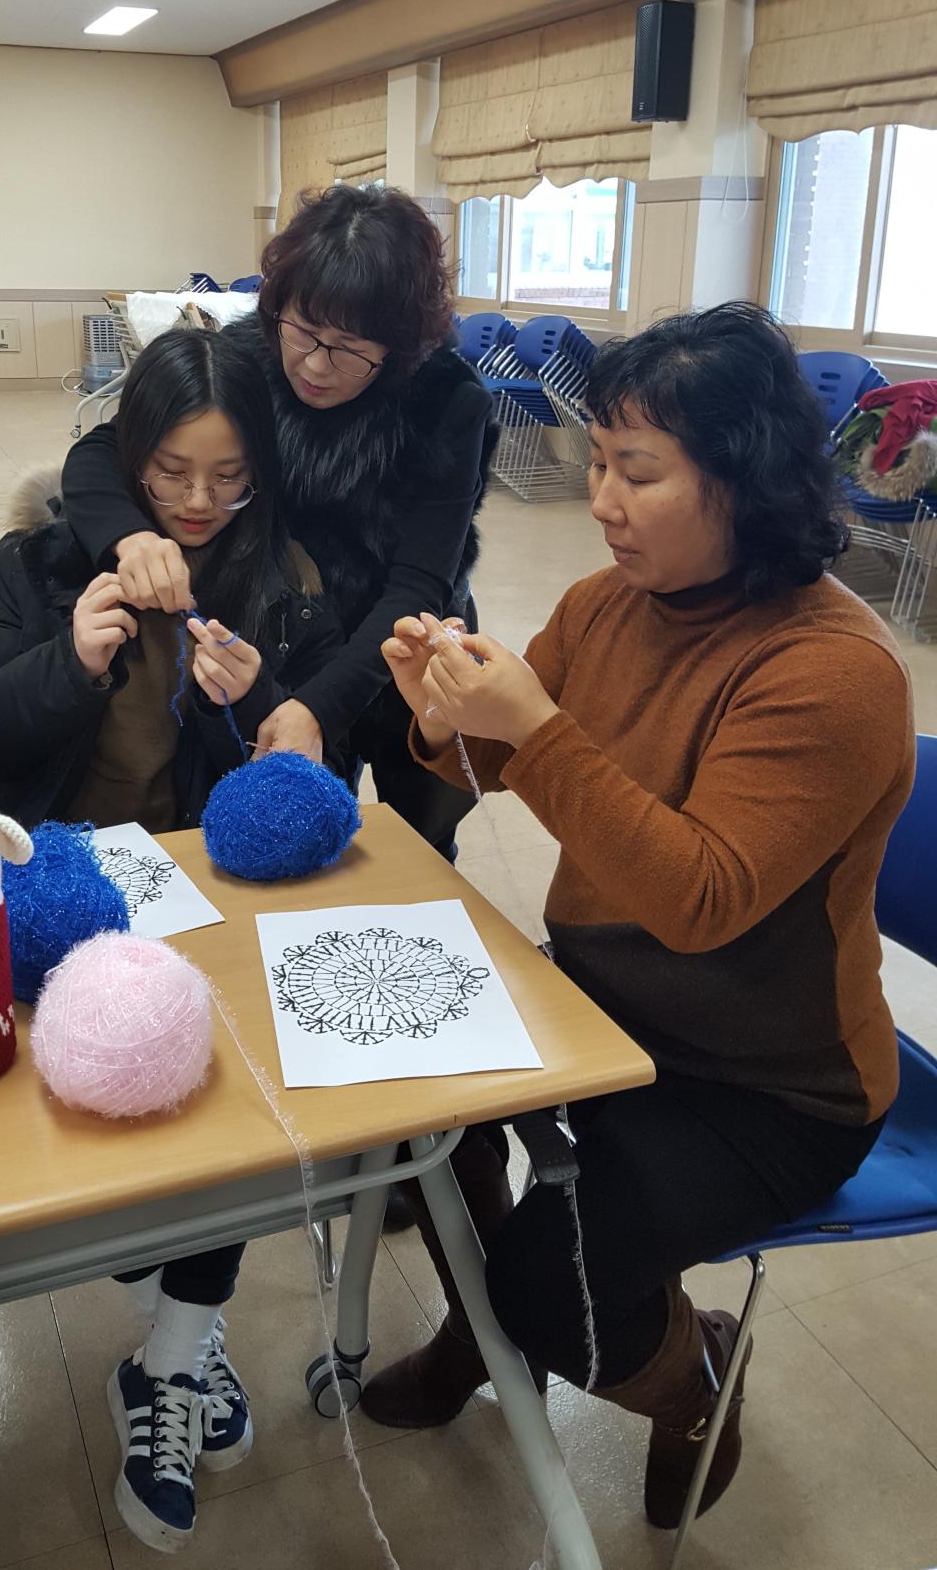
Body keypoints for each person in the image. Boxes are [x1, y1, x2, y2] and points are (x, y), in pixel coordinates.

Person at [363, 303, 915, 1533]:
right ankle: (483, 1333)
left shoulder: (831, 669)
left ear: (745, 480)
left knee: (548, 1279)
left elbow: (697, 899)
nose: (602, 499)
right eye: (600, 461)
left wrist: (534, 726)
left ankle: (688, 1378)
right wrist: (441, 715)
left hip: (766, 1078)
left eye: (637, 470)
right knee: (406, 1104)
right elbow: (485, 766)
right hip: (606, 999)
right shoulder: (606, 603)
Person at [0, 325, 345, 1555]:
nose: (199, 502)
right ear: (126, 459)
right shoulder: (36, 560)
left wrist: (261, 706)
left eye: (230, 476)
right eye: (169, 472)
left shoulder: (278, 576)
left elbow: (289, 779)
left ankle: (170, 1351)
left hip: (192, 896)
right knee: (146, 1088)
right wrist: (68, 660)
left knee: (237, 1088)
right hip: (53, 887)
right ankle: (173, 1316)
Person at [60, 185, 497, 860]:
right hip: (291, 631)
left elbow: (418, 585)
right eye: (305, 331)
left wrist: (322, 706)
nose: (316, 366)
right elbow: (101, 451)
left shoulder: (448, 400)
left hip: (402, 637)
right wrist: (133, 537)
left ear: (399, 345)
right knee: (307, 822)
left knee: (419, 837)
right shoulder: (249, 354)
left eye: (350, 349)